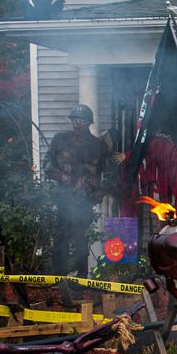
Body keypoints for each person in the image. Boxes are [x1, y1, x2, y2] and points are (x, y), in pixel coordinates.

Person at [45, 104, 110, 277]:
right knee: (61, 238)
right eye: (74, 120)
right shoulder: (60, 139)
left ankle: (81, 278)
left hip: (84, 200)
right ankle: (60, 277)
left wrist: (99, 193)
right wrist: (59, 176)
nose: (76, 123)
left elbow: (110, 173)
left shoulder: (98, 146)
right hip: (64, 198)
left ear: (89, 123)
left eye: (80, 120)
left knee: (81, 239)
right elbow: (47, 163)